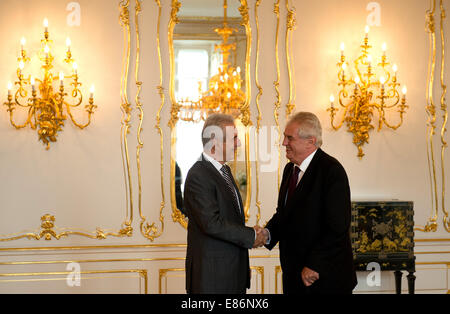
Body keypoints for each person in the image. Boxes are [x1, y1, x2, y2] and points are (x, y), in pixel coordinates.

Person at [260, 111, 357, 294]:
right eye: (284, 137)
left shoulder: (331, 170)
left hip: (323, 277)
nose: (283, 143)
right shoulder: (290, 170)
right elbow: (285, 214)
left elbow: (337, 226)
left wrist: (314, 264)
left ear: (310, 141)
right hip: (294, 275)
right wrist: (266, 233)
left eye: (289, 138)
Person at [183, 113, 266, 294]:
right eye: (234, 138)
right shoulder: (198, 174)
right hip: (212, 278)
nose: (239, 144)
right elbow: (212, 224)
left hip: (232, 274)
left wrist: (242, 267)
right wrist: (251, 235)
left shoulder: (224, 170)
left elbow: (230, 219)